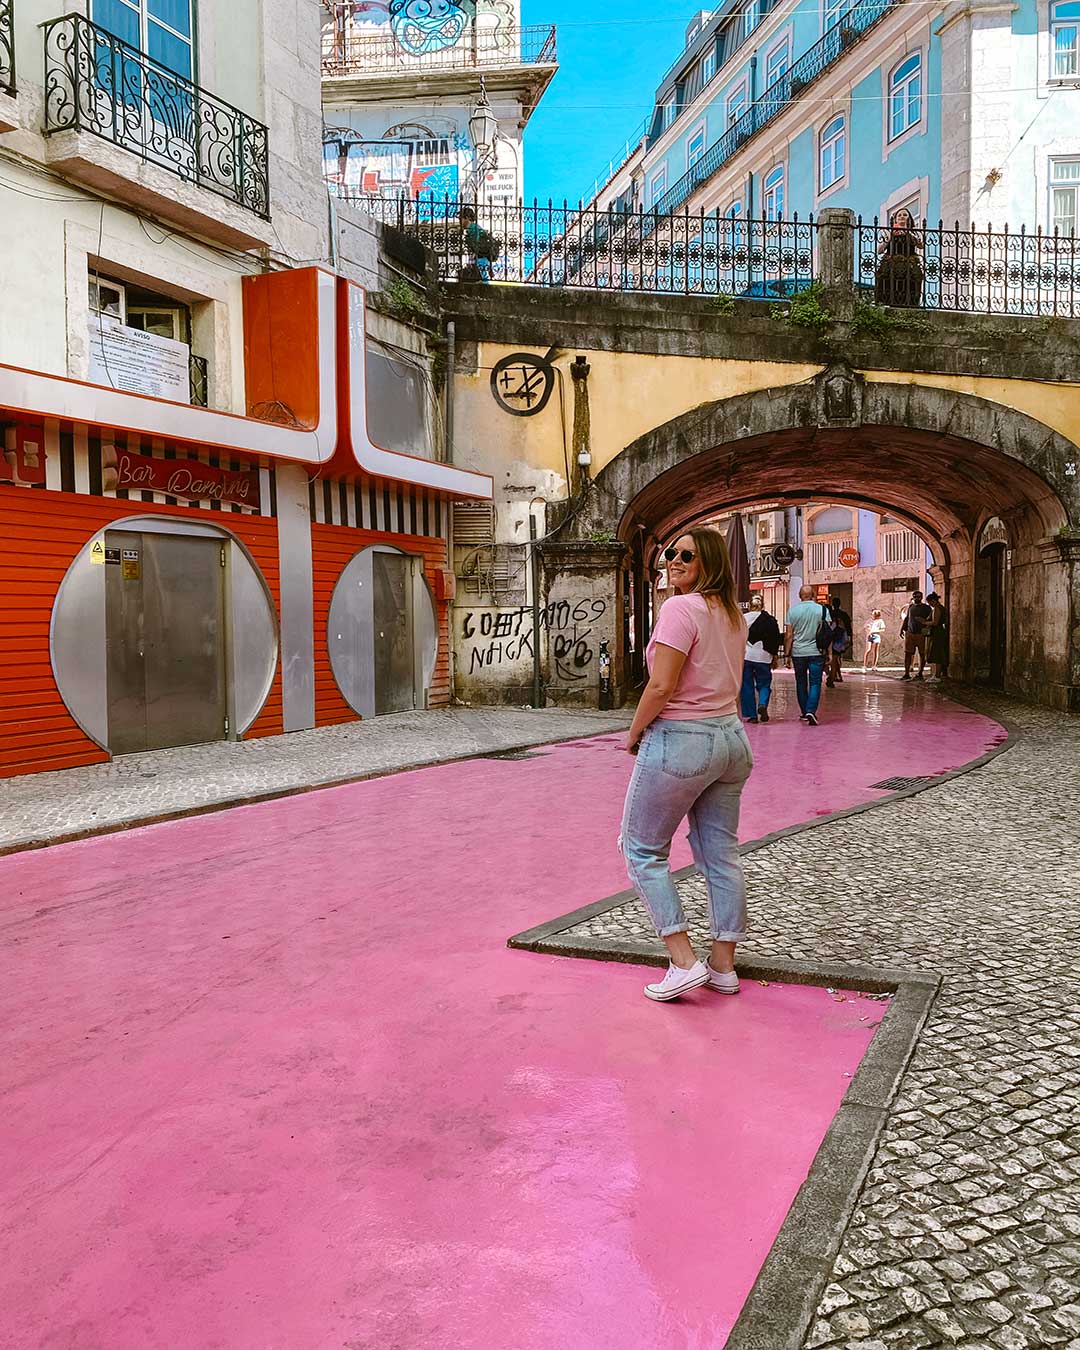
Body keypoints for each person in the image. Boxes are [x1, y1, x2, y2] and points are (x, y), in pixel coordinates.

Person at [621, 528, 753, 1003]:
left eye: (686, 556)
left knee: (640, 849)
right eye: (671, 553)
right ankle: (723, 966)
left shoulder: (680, 608)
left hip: (682, 738)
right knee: (720, 853)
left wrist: (634, 733)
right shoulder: (733, 614)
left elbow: (660, 687)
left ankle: (682, 960)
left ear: (709, 564)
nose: (674, 560)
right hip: (731, 739)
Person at [785, 584, 832, 725]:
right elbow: (827, 634)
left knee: (800, 682)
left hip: (798, 652)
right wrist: (829, 653)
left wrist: (787, 654)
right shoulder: (822, 610)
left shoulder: (792, 611)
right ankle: (811, 710)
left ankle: (804, 712)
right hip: (816, 652)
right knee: (815, 682)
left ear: (800, 596)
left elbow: (789, 635)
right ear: (813, 595)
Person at [741, 594, 781, 724]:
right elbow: (775, 640)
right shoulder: (770, 620)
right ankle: (762, 703)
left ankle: (752, 715)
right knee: (764, 684)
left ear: (750, 605)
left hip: (746, 656)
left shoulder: (742, 619)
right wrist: (775, 657)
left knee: (747, 686)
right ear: (762, 605)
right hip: (764, 657)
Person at [875, 208, 924, 307]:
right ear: (895, 219)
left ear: (909, 218)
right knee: (889, 286)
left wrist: (910, 232)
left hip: (909, 266)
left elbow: (921, 245)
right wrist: (887, 240)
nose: (902, 216)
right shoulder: (890, 232)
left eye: (905, 215)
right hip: (891, 266)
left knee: (909, 286)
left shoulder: (913, 233)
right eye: (899, 215)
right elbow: (879, 250)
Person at [900, 589, 934, 679]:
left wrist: (926, 628)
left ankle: (920, 673)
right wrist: (902, 629)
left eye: (918, 596)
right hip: (910, 633)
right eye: (915, 596)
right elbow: (907, 618)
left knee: (922, 654)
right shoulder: (911, 607)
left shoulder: (926, 608)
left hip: (921, 634)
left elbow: (930, 620)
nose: (917, 598)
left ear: (922, 597)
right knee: (908, 653)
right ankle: (906, 673)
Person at [459, 207, 500, 283]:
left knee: (482, 280)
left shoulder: (473, 229)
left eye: (461, 219)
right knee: (483, 279)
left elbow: (476, 246)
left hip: (480, 258)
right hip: (482, 258)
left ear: (467, 218)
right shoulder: (475, 228)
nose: (460, 221)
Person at [826, 595, 852, 688]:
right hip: (840, 639)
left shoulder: (830, 614)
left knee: (833, 659)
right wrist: (849, 638)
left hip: (831, 638)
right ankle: (835, 676)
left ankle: (832, 677)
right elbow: (848, 627)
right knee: (836, 658)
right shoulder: (844, 614)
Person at [926, 592, 949, 680]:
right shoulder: (941, 608)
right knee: (938, 652)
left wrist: (924, 622)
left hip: (937, 632)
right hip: (940, 631)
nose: (930, 605)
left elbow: (935, 622)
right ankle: (937, 674)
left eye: (930, 603)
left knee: (937, 653)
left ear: (933, 601)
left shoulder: (937, 608)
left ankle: (937, 675)